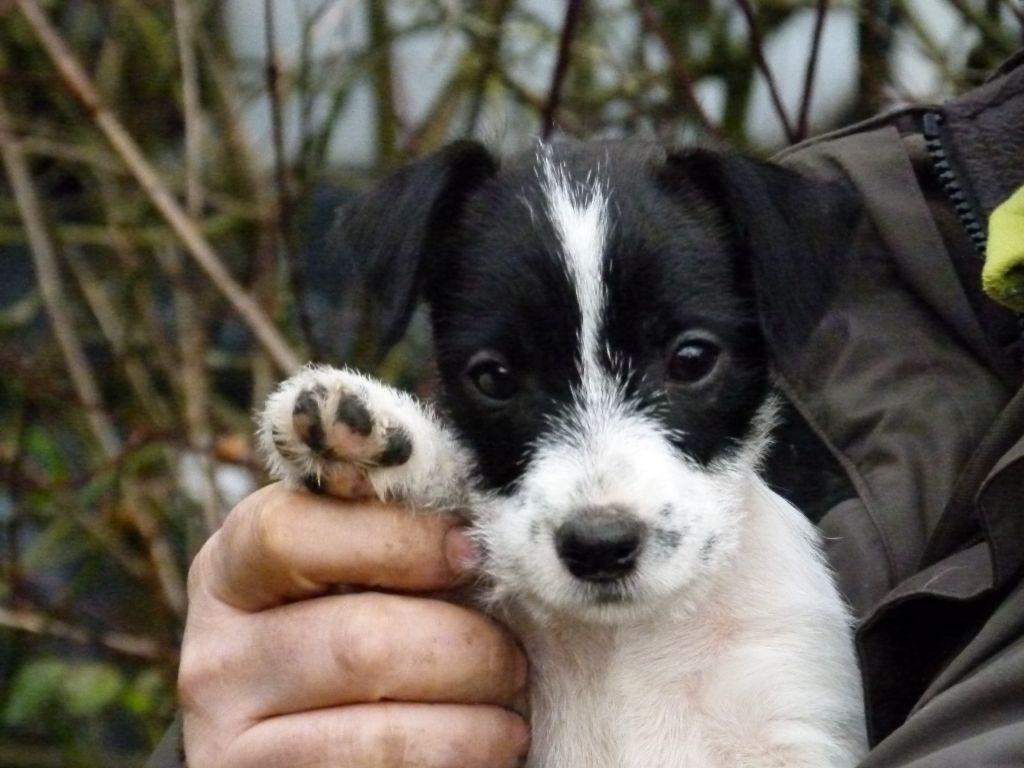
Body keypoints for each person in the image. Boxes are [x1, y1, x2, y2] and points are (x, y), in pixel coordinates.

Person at [147, 51, 1024, 767]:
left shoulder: (787, 614)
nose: (600, 506)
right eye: (497, 378)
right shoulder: (467, 585)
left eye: (687, 361)